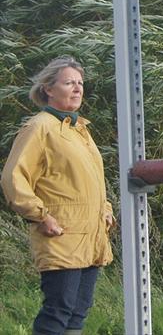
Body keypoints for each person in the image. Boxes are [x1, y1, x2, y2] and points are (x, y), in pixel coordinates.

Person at [2, 56, 114, 335]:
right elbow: (13, 177)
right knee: (58, 310)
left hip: (90, 236)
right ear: (48, 89)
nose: (77, 88)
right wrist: (40, 216)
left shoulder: (80, 130)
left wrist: (106, 210)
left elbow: (89, 180)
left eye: (80, 83)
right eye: (68, 83)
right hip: (61, 235)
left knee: (78, 312)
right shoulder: (40, 127)